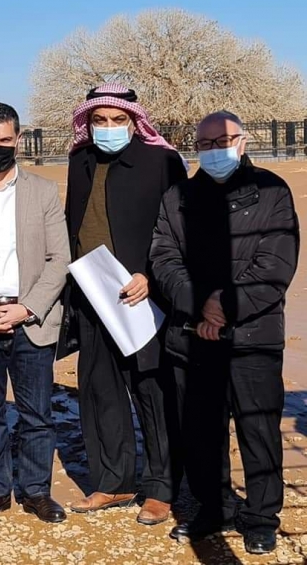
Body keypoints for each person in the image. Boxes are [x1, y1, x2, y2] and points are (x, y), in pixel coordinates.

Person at [150, 111, 299, 555]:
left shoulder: (272, 191)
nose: (215, 150)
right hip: (192, 333)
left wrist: (224, 307)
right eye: (206, 144)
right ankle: (213, 507)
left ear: (243, 141)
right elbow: (163, 257)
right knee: (201, 431)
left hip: (253, 335)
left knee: (258, 429)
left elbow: (275, 264)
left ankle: (261, 517)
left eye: (224, 141)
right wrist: (200, 304)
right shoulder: (178, 196)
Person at [63, 82, 186, 525]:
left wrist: (150, 276)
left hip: (144, 297)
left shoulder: (162, 162)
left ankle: (161, 488)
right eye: (100, 120)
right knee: (101, 391)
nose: (109, 127)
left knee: (152, 392)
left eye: (118, 120)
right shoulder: (80, 160)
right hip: (92, 296)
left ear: (135, 122)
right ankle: (114, 482)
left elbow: (179, 230)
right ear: (88, 122)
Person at [0, 103, 70, 524]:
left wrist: (26, 308)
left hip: (30, 321)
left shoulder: (43, 191)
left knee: (36, 413)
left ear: (18, 140)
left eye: (5, 140)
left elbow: (59, 259)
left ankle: (37, 491)